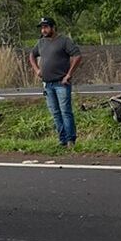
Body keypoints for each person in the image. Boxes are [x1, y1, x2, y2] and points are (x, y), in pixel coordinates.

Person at [29, 17, 83, 147]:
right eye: (42, 28)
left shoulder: (64, 41)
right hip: (48, 84)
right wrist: (37, 69)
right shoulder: (41, 43)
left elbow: (77, 55)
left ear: (53, 27)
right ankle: (62, 140)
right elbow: (32, 54)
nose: (44, 30)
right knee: (55, 113)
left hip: (61, 83)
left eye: (46, 27)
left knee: (65, 111)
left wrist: (69, 74)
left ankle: (71, 140)